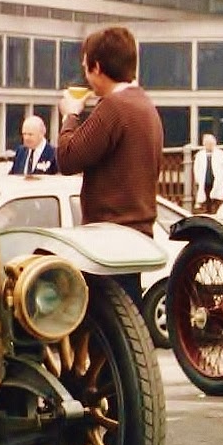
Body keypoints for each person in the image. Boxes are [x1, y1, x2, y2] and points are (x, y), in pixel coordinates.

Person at [57, 27, 163, 307]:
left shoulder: (114, 107)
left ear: (97, 67)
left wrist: (70, 115)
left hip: (110, 239)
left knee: (106, 331)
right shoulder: (145, 104)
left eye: (85, 67)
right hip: (138, 235)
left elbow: (67, 158)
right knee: (128, 333)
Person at [191, 133, 223, 214]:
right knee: (206, 195)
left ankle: (216, 212)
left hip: (217, 179)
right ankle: (208, 212)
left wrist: (222, 176)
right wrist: (197, 178)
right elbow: (196, 168)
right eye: (208, 144)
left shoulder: (220, 153)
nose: (209, 145)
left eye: (211, 144)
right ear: (204, 144)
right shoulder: (200, 154)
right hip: (205, 179)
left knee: (217, 197)